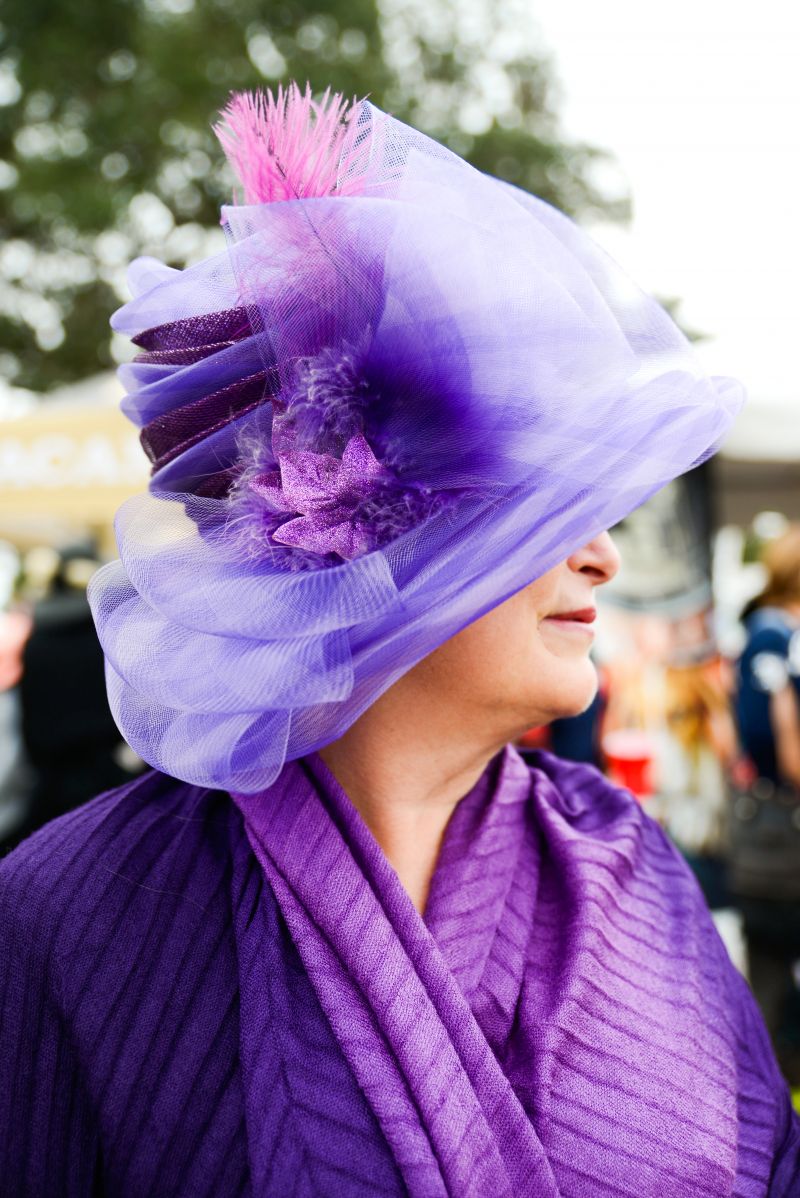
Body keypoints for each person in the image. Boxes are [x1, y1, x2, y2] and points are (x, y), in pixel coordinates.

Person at [1, 84, 797, 1197]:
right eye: (545, 508)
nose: (603, 559)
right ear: (398, 542)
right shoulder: (75, 913)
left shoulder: (631, 870)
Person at [733, 524, 800, 1081]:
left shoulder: (762, 634)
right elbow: (788, 755)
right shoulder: (776, 639)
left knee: (769, 984)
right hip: (782, 832)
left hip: (765, 827)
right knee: (771, 987)